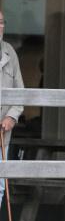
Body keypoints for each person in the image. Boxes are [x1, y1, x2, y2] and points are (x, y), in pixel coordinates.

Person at [0, 11, 24, 207]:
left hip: (2, 134)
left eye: (1, 22)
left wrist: (11, 117)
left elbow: (20, 93)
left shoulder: (10, 52)